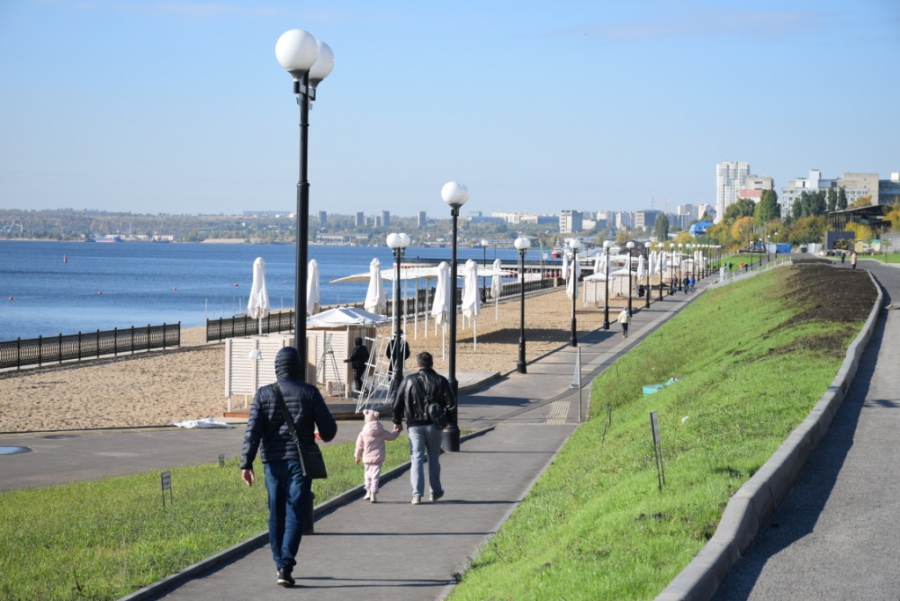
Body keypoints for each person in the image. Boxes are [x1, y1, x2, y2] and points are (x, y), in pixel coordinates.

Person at [240, 346, 338, 588]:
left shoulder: (263, 394)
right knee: (295, 513)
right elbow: (329, 431)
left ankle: (279, 563)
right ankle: (286, 565)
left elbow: (253, 432)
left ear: (277, 367)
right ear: (298, 366)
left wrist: (246, 463)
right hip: (300, 462)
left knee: (276, 513)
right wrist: (316, 430)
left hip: (272, 463)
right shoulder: (309, 392)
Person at [391, 351, 456, 505]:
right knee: (434, 458)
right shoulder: (440, 380)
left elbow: (398, 402)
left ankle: (417, 495)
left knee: (417, 458)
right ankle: (435, 491)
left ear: (417, 364)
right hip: (434, 424)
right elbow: (451, 403)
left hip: (414, 425)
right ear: (432, 364)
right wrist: (446, 420)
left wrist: (397, 421)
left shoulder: (408, 380)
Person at [354, 409, 400, 504]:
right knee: (375, 476)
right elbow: (391, 436)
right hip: (378, 458)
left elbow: (359, 447)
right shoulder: (382, 431)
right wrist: (397, 431)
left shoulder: (362, 433)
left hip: (366, 458)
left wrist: (357, 457)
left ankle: (368, 491)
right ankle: (373, 494)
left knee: (367, 475)